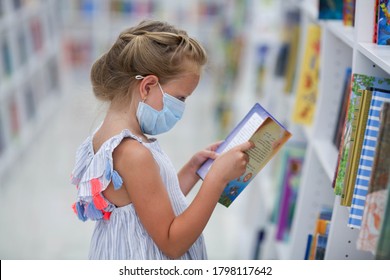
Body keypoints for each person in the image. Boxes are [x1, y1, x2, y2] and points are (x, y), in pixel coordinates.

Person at [70, 20, 253, 260]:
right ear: (147, 87)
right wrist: (216, 179)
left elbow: (145, 203)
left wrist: (192, 172)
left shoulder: (106, 135)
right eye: (181, 97)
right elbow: (172, 243)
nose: (182, 107)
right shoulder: (133, 153)